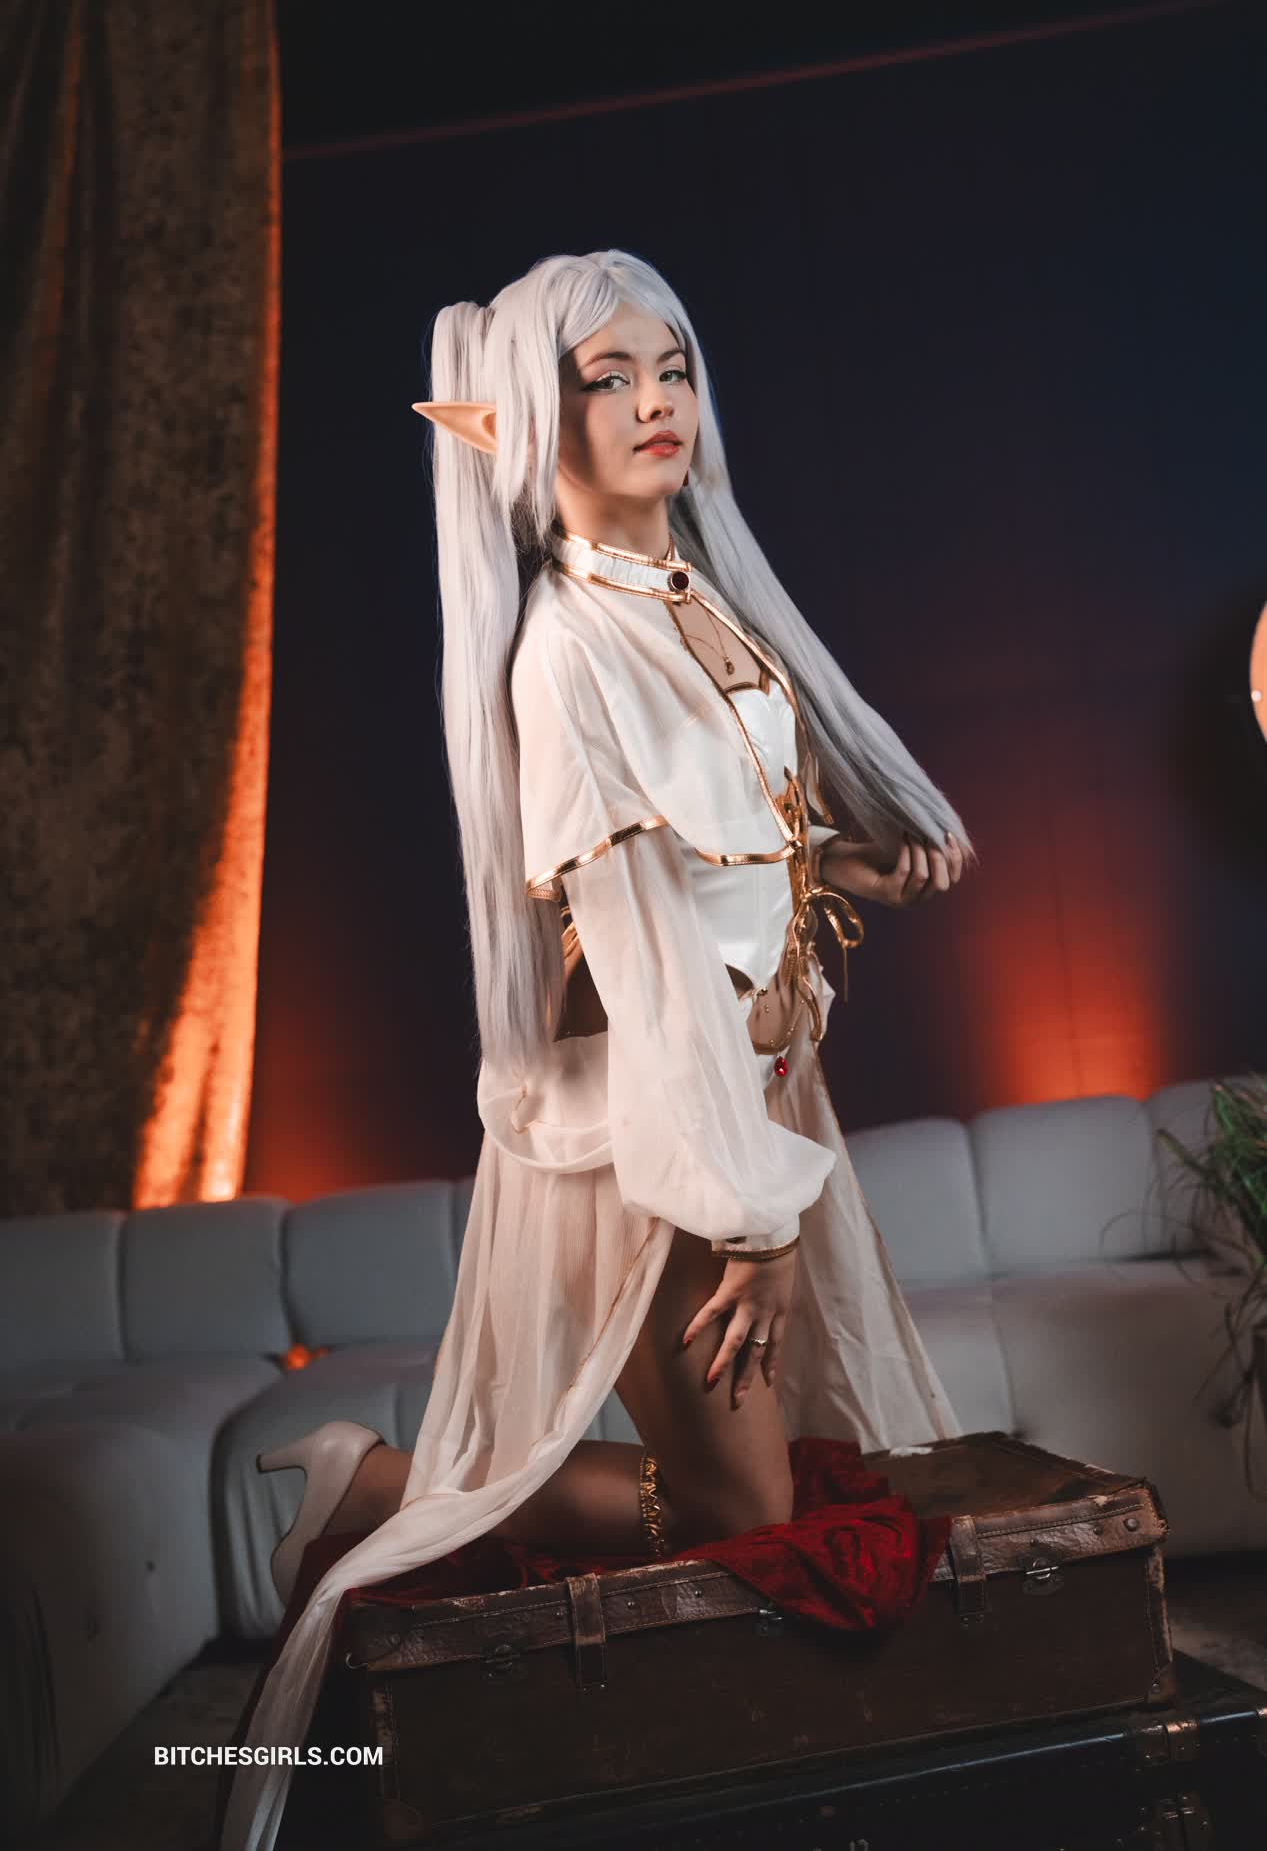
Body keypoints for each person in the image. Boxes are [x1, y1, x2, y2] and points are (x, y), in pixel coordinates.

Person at [220, 247, 976, 1851]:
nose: (655, 404)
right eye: (608, 378)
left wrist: (856, 866)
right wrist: (749, 1220)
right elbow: (640, 960)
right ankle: (380, 1491)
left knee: (760, 1489)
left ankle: (390, 1491)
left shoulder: (691, 593)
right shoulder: (567, 651)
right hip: (657, 1119)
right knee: (743, 1510)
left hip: (749, 1089)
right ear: (527, 418)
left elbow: (725, 854)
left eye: (673, 368)